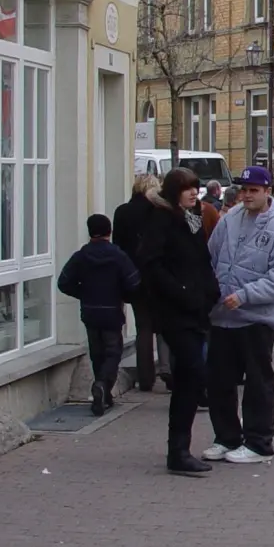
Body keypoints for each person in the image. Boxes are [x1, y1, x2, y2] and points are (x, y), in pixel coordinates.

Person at [202, 166, 274, 465]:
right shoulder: (229, 219)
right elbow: (212, 255)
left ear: (268, 192)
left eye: (253, 190)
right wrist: (211, 291)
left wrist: (245, 295)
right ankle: (226, 436)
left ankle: (259, 442)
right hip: (223, 315)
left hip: (257, 317)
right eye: (243, 189)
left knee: (257, 381)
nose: (246, 195)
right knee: (219, 380)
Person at [133, 168, 220, 476]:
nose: (194, 193)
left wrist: (211, 291)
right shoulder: (162, 220)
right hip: (174, 311)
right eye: (187, 189)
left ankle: (180, 449)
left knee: (190, 375)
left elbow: (201, 261)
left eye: (195, 188)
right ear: (174, 191)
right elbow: (152, 266)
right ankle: (178, 450)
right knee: (193, 372)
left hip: (196, 308)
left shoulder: (192, 219)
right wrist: (181, 292)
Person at [58, 213, 141, 416]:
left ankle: (103, 393)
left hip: (90, 312)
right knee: (113, 352)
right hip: (112, 311)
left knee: (97, 353)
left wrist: (83, 293)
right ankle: (102, 385)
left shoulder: (81, 256)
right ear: (109, 232)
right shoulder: (119, 256)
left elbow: (63, 282)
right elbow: (134, 282)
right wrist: (124, 296)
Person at [114, 173, 169, 392]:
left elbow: (118, 245)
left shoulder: (122, 212)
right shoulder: (160, 210)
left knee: (143, 327)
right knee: (165, 324)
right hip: (159, 275)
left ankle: (146, 378)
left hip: (134, 277)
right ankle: (168, 369)